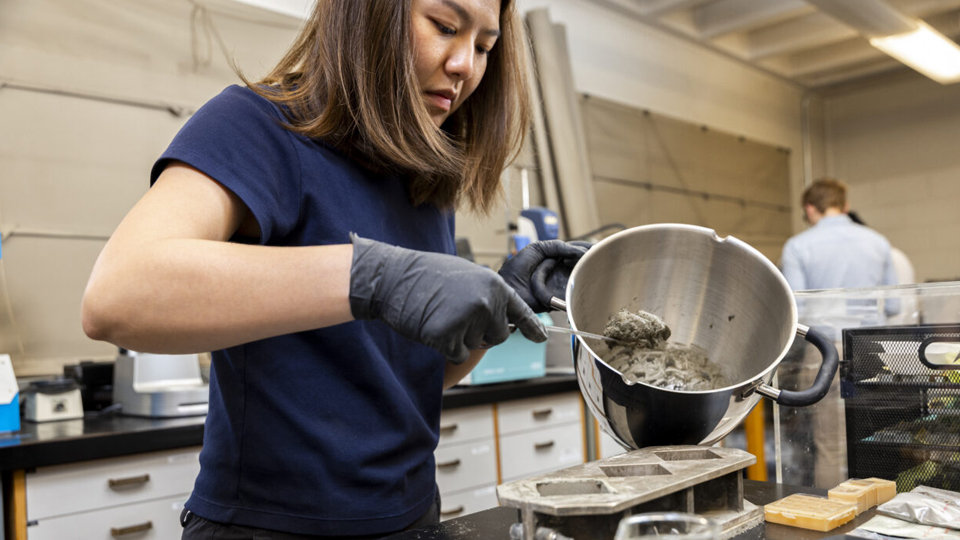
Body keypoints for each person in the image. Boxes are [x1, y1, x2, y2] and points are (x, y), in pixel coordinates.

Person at [81, 1, 586, 537]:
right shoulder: (260, 126)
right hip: (275, 526)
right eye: (444, 27)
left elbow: (412, 380)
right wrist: (371, 276)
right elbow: (117, 294)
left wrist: (499, 304)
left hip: (410, 517)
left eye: (485, 46)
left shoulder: (420, 176)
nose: (466, 65)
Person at [778, 178, 898, 489]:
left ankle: (839, 527)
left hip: (826, 353)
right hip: (872, 351)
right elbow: (895, 304)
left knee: (830, 447)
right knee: (875, 439)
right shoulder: (878, 242)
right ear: (844, 206)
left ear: (809, 208)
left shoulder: (798, 246)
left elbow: (796, 309)